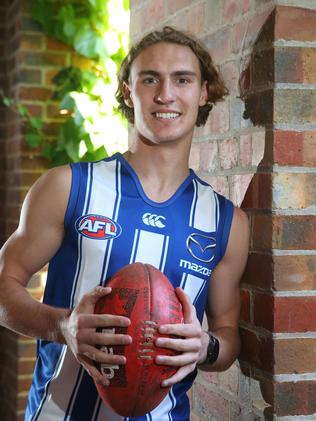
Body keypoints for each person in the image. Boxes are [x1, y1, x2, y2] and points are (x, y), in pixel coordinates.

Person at [0, 26, 249, 421]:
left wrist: (207, 348)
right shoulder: (68, 186)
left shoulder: (226, 222)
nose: (165, 94)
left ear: (203, 92)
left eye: (182, 79)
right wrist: (63, 325)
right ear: (129, 92)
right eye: (149, 79)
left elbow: (229, 335)